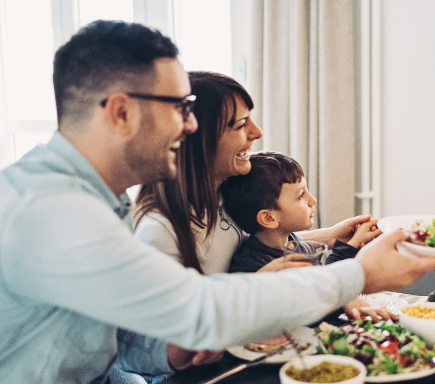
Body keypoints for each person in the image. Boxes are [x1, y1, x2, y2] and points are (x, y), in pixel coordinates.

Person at [0, 20, 435, 383]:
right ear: (122, 111)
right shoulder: (50, 212)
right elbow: (200, 307)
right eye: (179, 106)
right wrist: (359, 273)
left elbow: (119, 333)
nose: (191, 125)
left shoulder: (93, 202)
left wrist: (168, 351)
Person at [117, 72, 393, 383]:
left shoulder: (223, 195)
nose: (257, 132)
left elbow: (257, 243)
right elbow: (152, 344)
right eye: (240, 125)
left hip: (242, 345)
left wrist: (330, 235)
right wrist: (258, 286)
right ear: (199, 138)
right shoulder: (158, 231)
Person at [222, 151, 384, 274]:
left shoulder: (294, 243)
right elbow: (320, 283)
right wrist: (352, 245)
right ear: (269, 218)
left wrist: (345, 242)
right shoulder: (252, 266)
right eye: (300, 195)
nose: (312, 199)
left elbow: (320, 273)